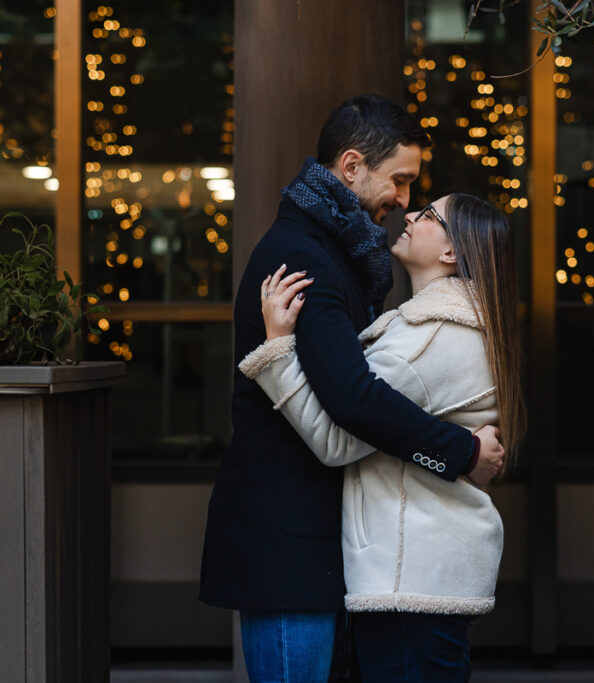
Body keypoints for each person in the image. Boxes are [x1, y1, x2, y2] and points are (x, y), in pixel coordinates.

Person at [198, 95, 506, 682]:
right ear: (351, 166)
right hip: (287, 544)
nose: (405, 201)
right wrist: (462, 451)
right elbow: (354, 400)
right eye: (400, 180)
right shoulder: (302, 256)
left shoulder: (339, 253)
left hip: (319, 547)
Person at [242, 193, 527, 681]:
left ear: (452, 253)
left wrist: (277, 351)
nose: (410, 215)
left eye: (429, 215)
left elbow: (336, 441)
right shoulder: (431, 326)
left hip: (410, 575)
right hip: (421, 569)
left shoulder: (432, 337)